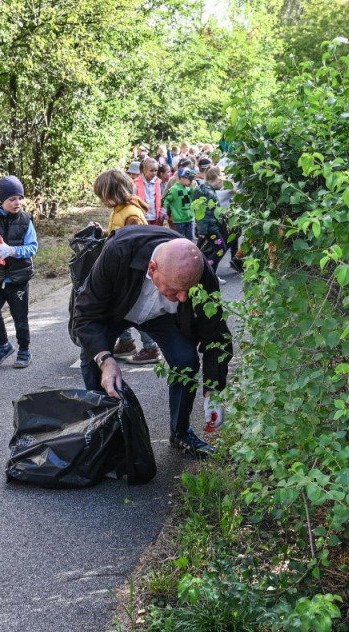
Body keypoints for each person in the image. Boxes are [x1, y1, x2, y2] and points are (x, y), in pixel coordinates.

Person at [72, 225, 231, 458]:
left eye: (188, 290)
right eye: (176, 290)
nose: (183, 297)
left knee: (185, 360)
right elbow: (85, 315)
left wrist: (213, 393)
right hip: (117, 309)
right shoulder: (118, 252)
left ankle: (180, 432)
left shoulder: (202, 277)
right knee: (93, 359)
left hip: (161, 317)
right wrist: (106, 359)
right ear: (153, 268)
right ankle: (103, 433)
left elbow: (216, 337)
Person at [93, 169, 161, 365]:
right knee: (117, 309)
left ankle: (150, 348)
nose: (101, 201)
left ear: (113, 192)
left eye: (102, 196)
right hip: (119, 270)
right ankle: (125, 343)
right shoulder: (120, 209)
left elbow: (137, 245)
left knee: (134, 309)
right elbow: (117, 235)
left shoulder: (131, 214)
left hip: (130, 272)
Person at [0, 175, 39, 368]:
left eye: (20, 198)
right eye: (12, 199)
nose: (17, 203)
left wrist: (12, 251)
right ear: (2, 200)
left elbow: (33, 247)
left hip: (18, 277)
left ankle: (24, 350)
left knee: (19, 317)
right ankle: (4, 345)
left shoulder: (25, 220)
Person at [194, 167, 228, 284]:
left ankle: (210, 274)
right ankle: (209, 274)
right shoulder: (206, 192)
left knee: (207, 251)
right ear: (218, 179)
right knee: (220, 249)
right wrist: (202, 231)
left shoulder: (207, 190)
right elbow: (202, 213)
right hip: (210, 228)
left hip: (210, 227)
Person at [164, 167, 196, 241]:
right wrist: (164, 210)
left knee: (189, 239)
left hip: (189, 218)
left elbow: (193, 199)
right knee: (179, 239)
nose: (191, 181)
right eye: (189, 179)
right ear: (181, 178)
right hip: (179, 219)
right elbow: (165, 199)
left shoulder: (188, 188)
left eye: (192, 179)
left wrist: (192, 189)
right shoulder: (174, 189)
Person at [133, 158, 165, 227]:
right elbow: (133, 198)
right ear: (144, 170)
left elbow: (162, 198)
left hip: (155, 216)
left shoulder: (158, 182)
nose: (154, 173)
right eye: (151, 171)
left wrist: (162, 211)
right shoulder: (136, 183)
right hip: (142, 216)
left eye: (156, 171)